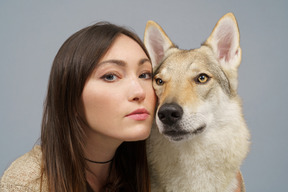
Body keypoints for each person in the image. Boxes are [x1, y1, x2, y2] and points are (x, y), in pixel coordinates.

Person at [0, 22, 156, 192]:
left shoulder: (156, 170)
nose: (139, 92)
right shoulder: (27, 184)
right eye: (110, 76)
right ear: (70, 96)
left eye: (145, 74)